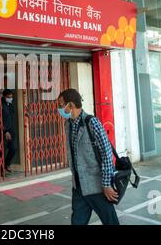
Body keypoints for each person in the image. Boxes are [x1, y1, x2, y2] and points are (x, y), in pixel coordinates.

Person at [57, 88, 119, 225]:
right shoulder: (68, 124)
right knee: (77, 222)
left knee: (110, 221)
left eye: (61, 105)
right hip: (78, 186)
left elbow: (106, 154)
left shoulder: (92, 122)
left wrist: (107, 184)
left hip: (97, 186)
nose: (59, 109)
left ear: (71, 105)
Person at [2, 89, 17, 173]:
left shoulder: (10, 105)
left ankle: (6, 164)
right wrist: (5, 131)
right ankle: (1, 168)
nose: (10, 98)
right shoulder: (0, 105)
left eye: (11, 97)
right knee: (1, 150)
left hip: (11, 129)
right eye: (8, 97)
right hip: (4, 131)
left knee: (13, 148)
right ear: (4, 97)